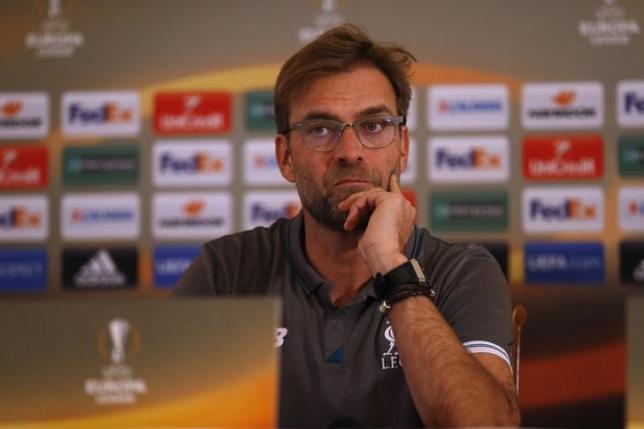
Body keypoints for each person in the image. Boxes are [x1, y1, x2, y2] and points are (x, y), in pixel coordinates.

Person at [174, 23, 520, 428]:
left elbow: (486, 425)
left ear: (402, 147)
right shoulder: (227, 269)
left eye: (373, 126)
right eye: (321, 129)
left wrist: (393, 269)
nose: (349, 152)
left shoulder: (462, 271)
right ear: (285, 157)